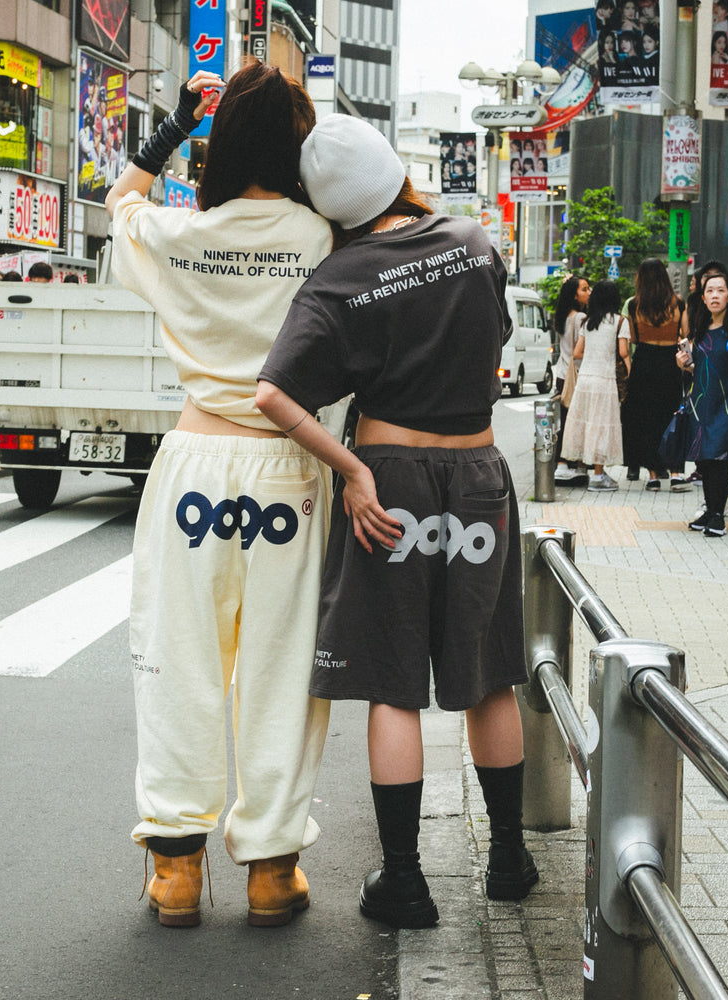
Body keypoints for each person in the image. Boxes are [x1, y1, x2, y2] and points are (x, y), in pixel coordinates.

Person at [256, 114, 538, 929]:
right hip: (479, 478)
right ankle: (509, 860)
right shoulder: (475, 243)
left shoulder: (339, 279)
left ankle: (406, 883)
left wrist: (350, 471)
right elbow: (493, 345)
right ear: (394, 175)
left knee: (392, 683)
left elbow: (272, 393)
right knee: (489, 673)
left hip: (392, 485)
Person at [104, 60, 333, 929]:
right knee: (283, 667)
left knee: (179, 658)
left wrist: (171, 129)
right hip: (289, 464)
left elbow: (121, 202)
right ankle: (272, 868)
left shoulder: (178, 234)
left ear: (223, 145)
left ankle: (175, 869)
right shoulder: (323, 238)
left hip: (195, 463)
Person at [677, 272, 728, 536]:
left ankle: (718, 516)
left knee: (720, 460)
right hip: (701, 403)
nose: (715, 296)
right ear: (703, 297)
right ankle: (710, 511)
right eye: (710, 291)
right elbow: (700, 368)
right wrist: (684, 364)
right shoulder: (699, 331)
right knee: (704, 460)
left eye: (720, 291)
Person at [621, 259, 687, 491]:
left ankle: (652, 476)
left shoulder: (634, 305)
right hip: (670, 362)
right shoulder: (678, 303)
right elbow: (685, 333)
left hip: (644, 361)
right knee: (672, 415)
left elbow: (634, 338)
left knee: (645, 419)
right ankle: (676, 473)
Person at [560, 279, 630, 491]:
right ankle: (598, 476)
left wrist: (593, 354)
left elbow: (577, 353)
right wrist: (628, 371)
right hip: (605, 380)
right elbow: (624, 352)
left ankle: (582, 469)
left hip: (585, 380)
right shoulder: (620, 322)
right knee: (601, 426)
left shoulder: (587, 322)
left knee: (585, 423)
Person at [553, 274, 591, 485]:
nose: (589, 292)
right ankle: (568, 463)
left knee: (566, 420)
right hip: (576, 375)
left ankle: (563, 464)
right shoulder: (580, 318)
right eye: (584, 289)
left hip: (562, 374)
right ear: (574, 295)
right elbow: (581, 350)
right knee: (575, 422)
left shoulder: (562, 316)